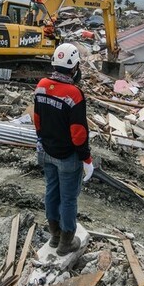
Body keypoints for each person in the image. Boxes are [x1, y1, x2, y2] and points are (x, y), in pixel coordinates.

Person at [33, 43, 93, 255]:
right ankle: (66, 242)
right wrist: (86, 158)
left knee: (51, 192)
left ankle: (54, 236)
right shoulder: (74, 94)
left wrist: (43, 140)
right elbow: (78, 133)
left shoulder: (41, 85)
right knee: (68, 199)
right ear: (74, 68)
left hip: (46, 152)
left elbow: (37, 120)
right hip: (68, 157)